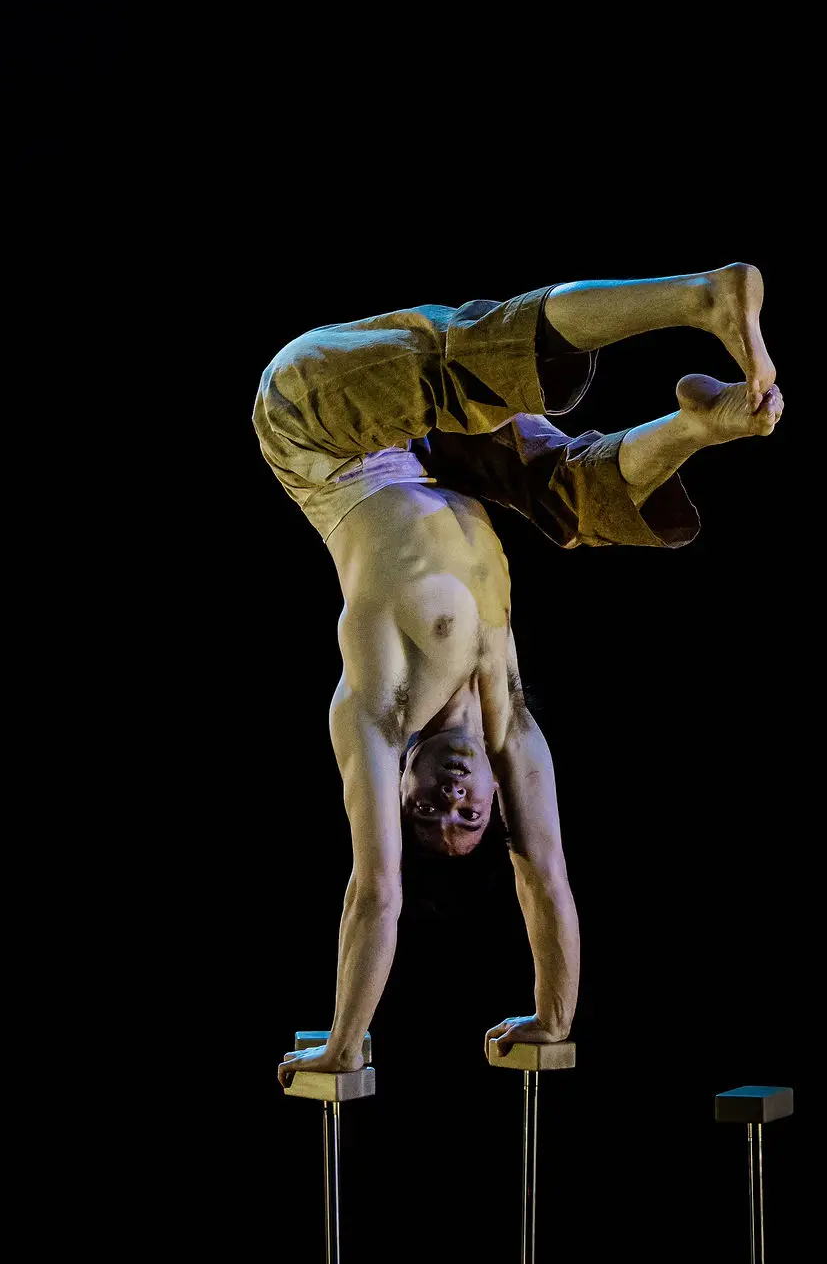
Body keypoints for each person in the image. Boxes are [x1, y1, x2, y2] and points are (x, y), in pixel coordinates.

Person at [263, 264, 782, 1087]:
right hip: (434, 457)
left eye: (428, 813)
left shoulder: (374, 707)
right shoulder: (512, 719)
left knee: (471, 365)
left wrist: (345, 1039)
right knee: (573, 497)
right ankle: (704, 424)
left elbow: (375, 892)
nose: (453, 803)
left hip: (313, 431)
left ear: (401, 785)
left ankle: (701, 296)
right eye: (470, 818)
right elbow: (543, 875)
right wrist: (553, 1018)